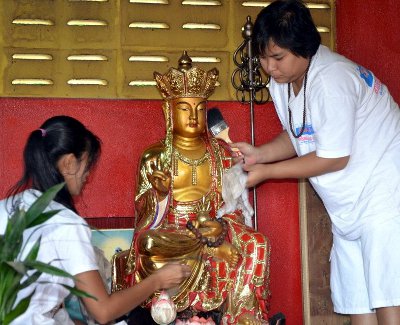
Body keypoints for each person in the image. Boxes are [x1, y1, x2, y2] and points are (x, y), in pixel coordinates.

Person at [232, 1, 400, 324]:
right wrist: (259, 154)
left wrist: (268, 172)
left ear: (303, 48)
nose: (269, 67)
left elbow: (334, 156)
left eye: (277, 57)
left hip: (384, 196)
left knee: (388, 299)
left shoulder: (331, 80)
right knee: (357, 303)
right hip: (349, 207)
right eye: (264, 57)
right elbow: (300, 135)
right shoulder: (283, 82)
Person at [117, 52, 270, 325]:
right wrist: (160, 196)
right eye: (184, 109)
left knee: (258, 242)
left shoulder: (221, 154)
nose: (193, 117)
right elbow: (142, 216)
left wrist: (220, 227)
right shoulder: (155, 156)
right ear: (170, 110)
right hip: (171, 233)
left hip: (211, 227)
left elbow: (234, 207)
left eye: (199, 110)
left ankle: (244, 314)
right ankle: (210, 256)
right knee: (148, 244)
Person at [0, 115, 190, 325]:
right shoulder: (65, 223)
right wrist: (157, 280)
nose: (88, 175)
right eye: (87, 165)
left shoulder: (4, 208)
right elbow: (103, 311)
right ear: (69, 163)